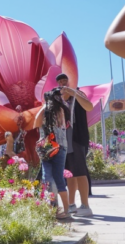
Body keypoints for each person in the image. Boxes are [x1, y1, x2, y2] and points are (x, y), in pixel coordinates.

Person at [57, 73, 94, 217]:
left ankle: (85, 205)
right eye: (60, 81)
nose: (63, 83)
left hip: (77, 138)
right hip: (63, 140)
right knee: (69, 173)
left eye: (65, 80)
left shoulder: (78, 94)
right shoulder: (57, 98)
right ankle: (71, 204)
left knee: (80, 171)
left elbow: (89, 107)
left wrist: (74, 92)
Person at [34, 87, 72, 219]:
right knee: (56, 179)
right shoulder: (61, 109)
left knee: (48, 178)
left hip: (46, 148)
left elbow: (36, 123)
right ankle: (63, 210)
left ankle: (55, 209)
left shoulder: (49, 111)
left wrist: (44, 106)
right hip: (59, 147)